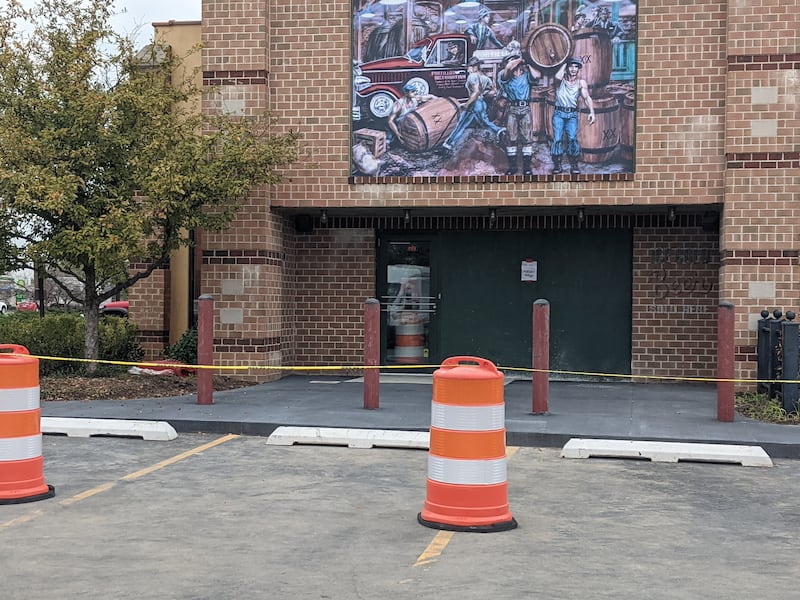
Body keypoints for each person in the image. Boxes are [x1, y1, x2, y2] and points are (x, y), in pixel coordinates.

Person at [442, 57, 505, 152]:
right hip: (481, 103)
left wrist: (466, 105)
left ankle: (448, 144)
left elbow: (475, 93)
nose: (468, 69)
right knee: (484, 122)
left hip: (474, 104)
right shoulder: (485, 77)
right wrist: (483, 95)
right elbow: (494, 91)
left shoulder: (472, 76)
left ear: (475, 67)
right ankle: (498, 131)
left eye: (470, 66)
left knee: (461, 124)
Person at [550, 58, 595, 174]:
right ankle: (557, 165)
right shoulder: (560, 81)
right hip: (559, 114)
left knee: (572, 139)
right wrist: (565, 63)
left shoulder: (581, 83)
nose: (574, 69)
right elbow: (557, 77)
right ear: (566, 68)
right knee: (557, 139)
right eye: (571, 66)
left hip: (572, 115)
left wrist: (592, 112)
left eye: (576, 67)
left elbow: (587, 97)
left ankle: (574, 164)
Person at [498, 55, 542, 175]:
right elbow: (508, 68)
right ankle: (513, 167)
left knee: (527, 139)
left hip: (525, 108)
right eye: (511, 61)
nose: (513, 64)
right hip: (512, 109)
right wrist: (522, 59)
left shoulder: (526, 75)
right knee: (511, 138)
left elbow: (537, 76)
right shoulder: (504, 75)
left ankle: (527, 167)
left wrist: (529, 63)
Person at [386, 82, 436, 148]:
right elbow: (390, 121)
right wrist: (397, 134)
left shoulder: (415, 99)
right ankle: (389, 141)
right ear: (406, 93)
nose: (414, 93)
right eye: (412, 91)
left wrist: (439, 100)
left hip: (409, 120)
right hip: (397, 123)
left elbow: (431, 97)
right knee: (390, 141)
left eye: (414, 91)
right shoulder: (399, 105)